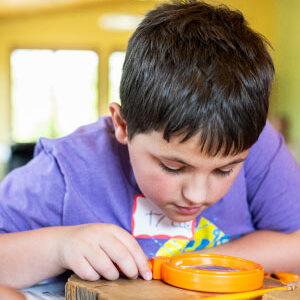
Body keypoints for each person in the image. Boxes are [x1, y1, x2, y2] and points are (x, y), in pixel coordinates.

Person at [0, 0, 300, 289]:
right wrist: (58, 247)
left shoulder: (255, 142)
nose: (197, 195)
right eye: (173, 166)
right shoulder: (65, 168)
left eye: (225, 170)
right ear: (122, 125)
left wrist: (188, 264)